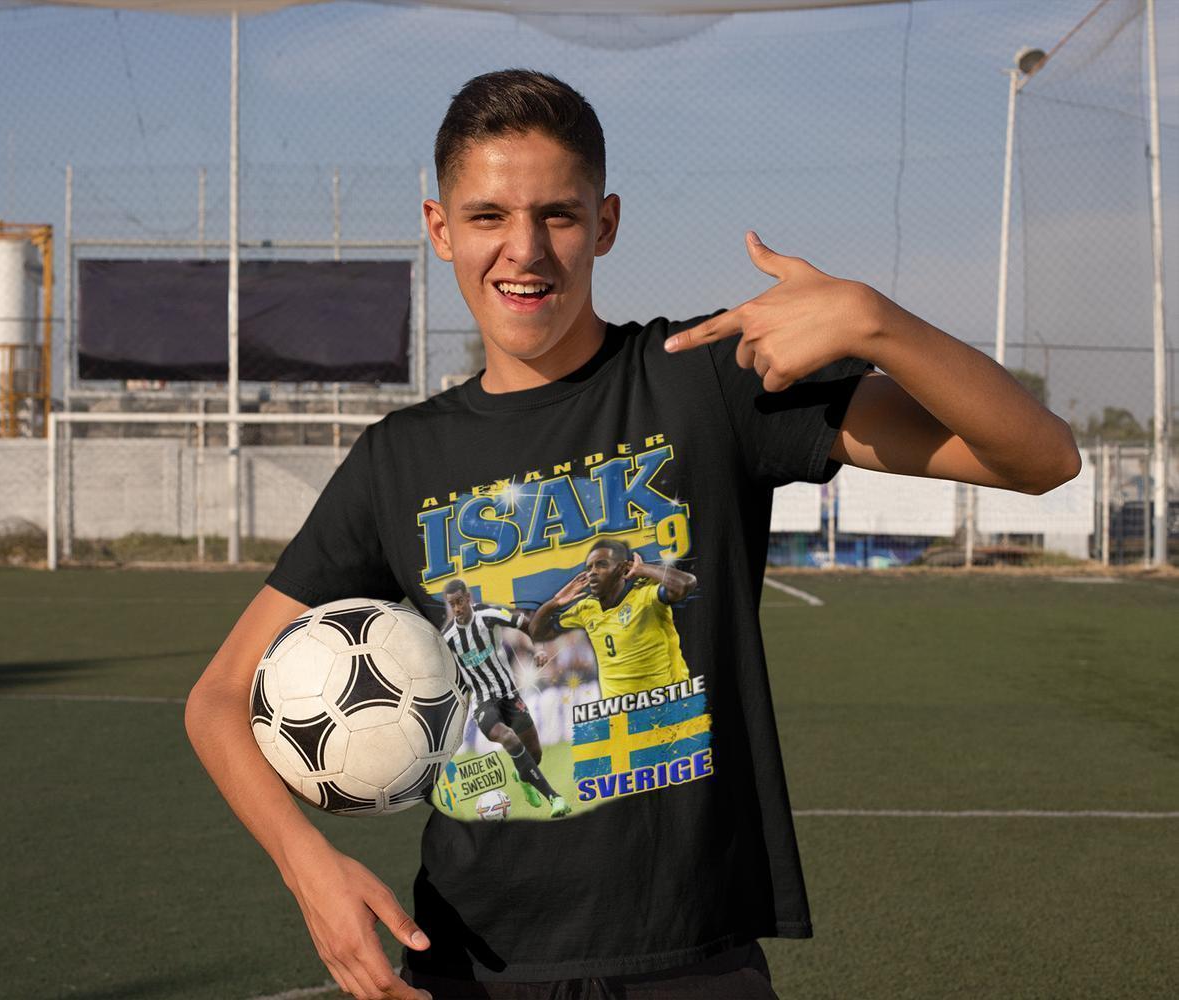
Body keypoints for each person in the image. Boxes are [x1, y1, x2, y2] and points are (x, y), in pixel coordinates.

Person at [184, 69, 1080, 1000]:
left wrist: (876, 323)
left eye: (558, 215)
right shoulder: (396, 460)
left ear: (605, 223)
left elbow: (1040, 457)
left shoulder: (704, 382)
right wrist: (307, 866)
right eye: (488, 216)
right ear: (440, 228)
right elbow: (217, 699)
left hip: (688, 960)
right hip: (469, 963)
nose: (525, 250)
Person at [439, 578, 571, 817]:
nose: (457, 608)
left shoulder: (488, 615)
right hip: (483, 703)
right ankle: (555, 798)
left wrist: (539, 648)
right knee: (508, 737)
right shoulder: (447, 637)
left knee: (535, 754)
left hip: (510, 696)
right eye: (452, 604)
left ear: (468, 598)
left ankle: (523, 778)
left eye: (459, 602)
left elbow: (527, 625)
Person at [528, 538, 698, 700]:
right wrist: (555, 602)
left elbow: (685, 584)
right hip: (619, 712)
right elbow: (537, 632)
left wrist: (642, 568)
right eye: (589, 567)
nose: (592, 572)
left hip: (667, 703)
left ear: (623, 568)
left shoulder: (645, 596)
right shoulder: (586, 609)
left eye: (601, 565)